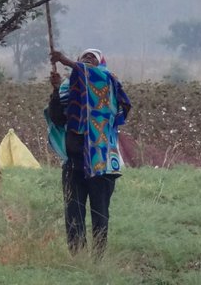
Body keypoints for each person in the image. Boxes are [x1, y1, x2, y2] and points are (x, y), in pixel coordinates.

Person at [46, 48, 132, 256]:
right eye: (84, 57)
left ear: (100, 63)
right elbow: (58, 118)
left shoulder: (108, 81)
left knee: (99, 212)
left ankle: (98, 257)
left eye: (92, 57)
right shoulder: (70, 88)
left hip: (101, 161)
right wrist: (57, 90)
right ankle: (77, 257)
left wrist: (65, 60)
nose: (87, 60)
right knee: (73, 211)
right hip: (74, 161)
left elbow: (92, 76)